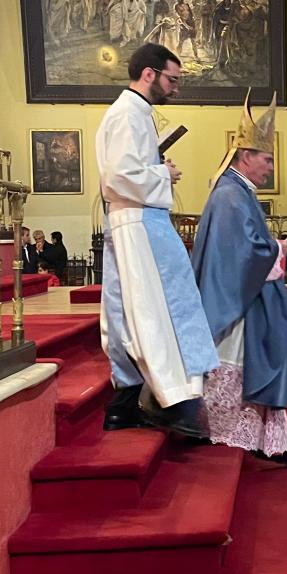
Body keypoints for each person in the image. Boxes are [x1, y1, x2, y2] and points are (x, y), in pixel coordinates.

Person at [95, 43, 217, 436]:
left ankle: (126, 404)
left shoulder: (133, 113)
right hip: (139, 224)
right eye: (172, 79)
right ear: (149, 74)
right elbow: (118, 177)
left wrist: (157, 168)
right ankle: (179, 405)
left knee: (128, 315)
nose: (176, 88)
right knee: (160, 310)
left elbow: (126, 171)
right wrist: (164, 175)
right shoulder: (128, 114)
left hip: (135, 221)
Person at [189, 95, 287, 468]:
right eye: (267, 159)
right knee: (241, 370)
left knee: (254, 369)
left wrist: (278, 246)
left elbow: (248, 246)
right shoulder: (229, 195)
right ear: (246, 156)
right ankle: (222, 431)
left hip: (249, 298)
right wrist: (273, 252)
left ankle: (266, 442)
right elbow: (241, 254)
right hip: (238, 307)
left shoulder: (238, 192)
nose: (271, 168)